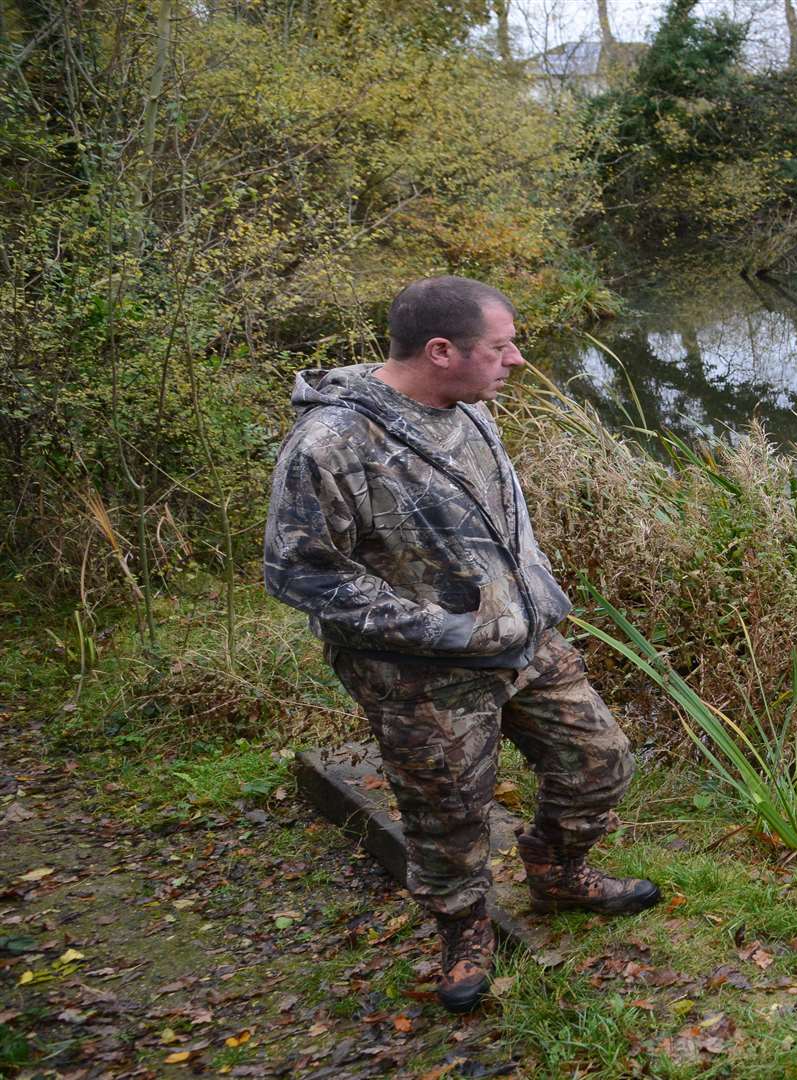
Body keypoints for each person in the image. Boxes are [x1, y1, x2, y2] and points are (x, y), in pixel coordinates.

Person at [263, 276, 659, 1014]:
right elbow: (300, 572)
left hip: (524, 641)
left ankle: (557, 870)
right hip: (422, 675)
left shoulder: (470, 409)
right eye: (501, 347)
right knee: (447, 815)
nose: (515, 361)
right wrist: (443, 630)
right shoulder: (334, 442)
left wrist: (531, 600)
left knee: (599, 761)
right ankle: (463, 933)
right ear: (442, 351)